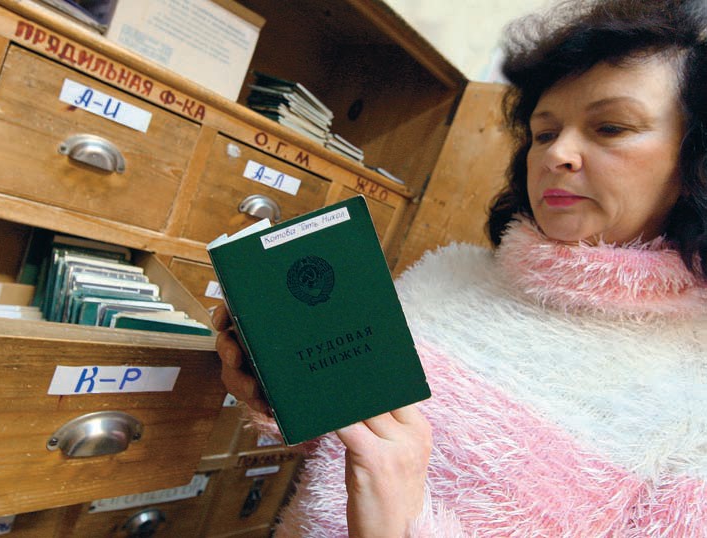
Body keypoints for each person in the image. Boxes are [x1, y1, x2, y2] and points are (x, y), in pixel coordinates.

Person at [214, 0, 707, 535]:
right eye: (543, 133)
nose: (557, 154)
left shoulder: (694, 400)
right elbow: (345, 443)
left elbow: (386, 489)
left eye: (610, 127)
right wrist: (279, 387)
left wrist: (399, 522)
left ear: (695, 161)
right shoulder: (445, 277)